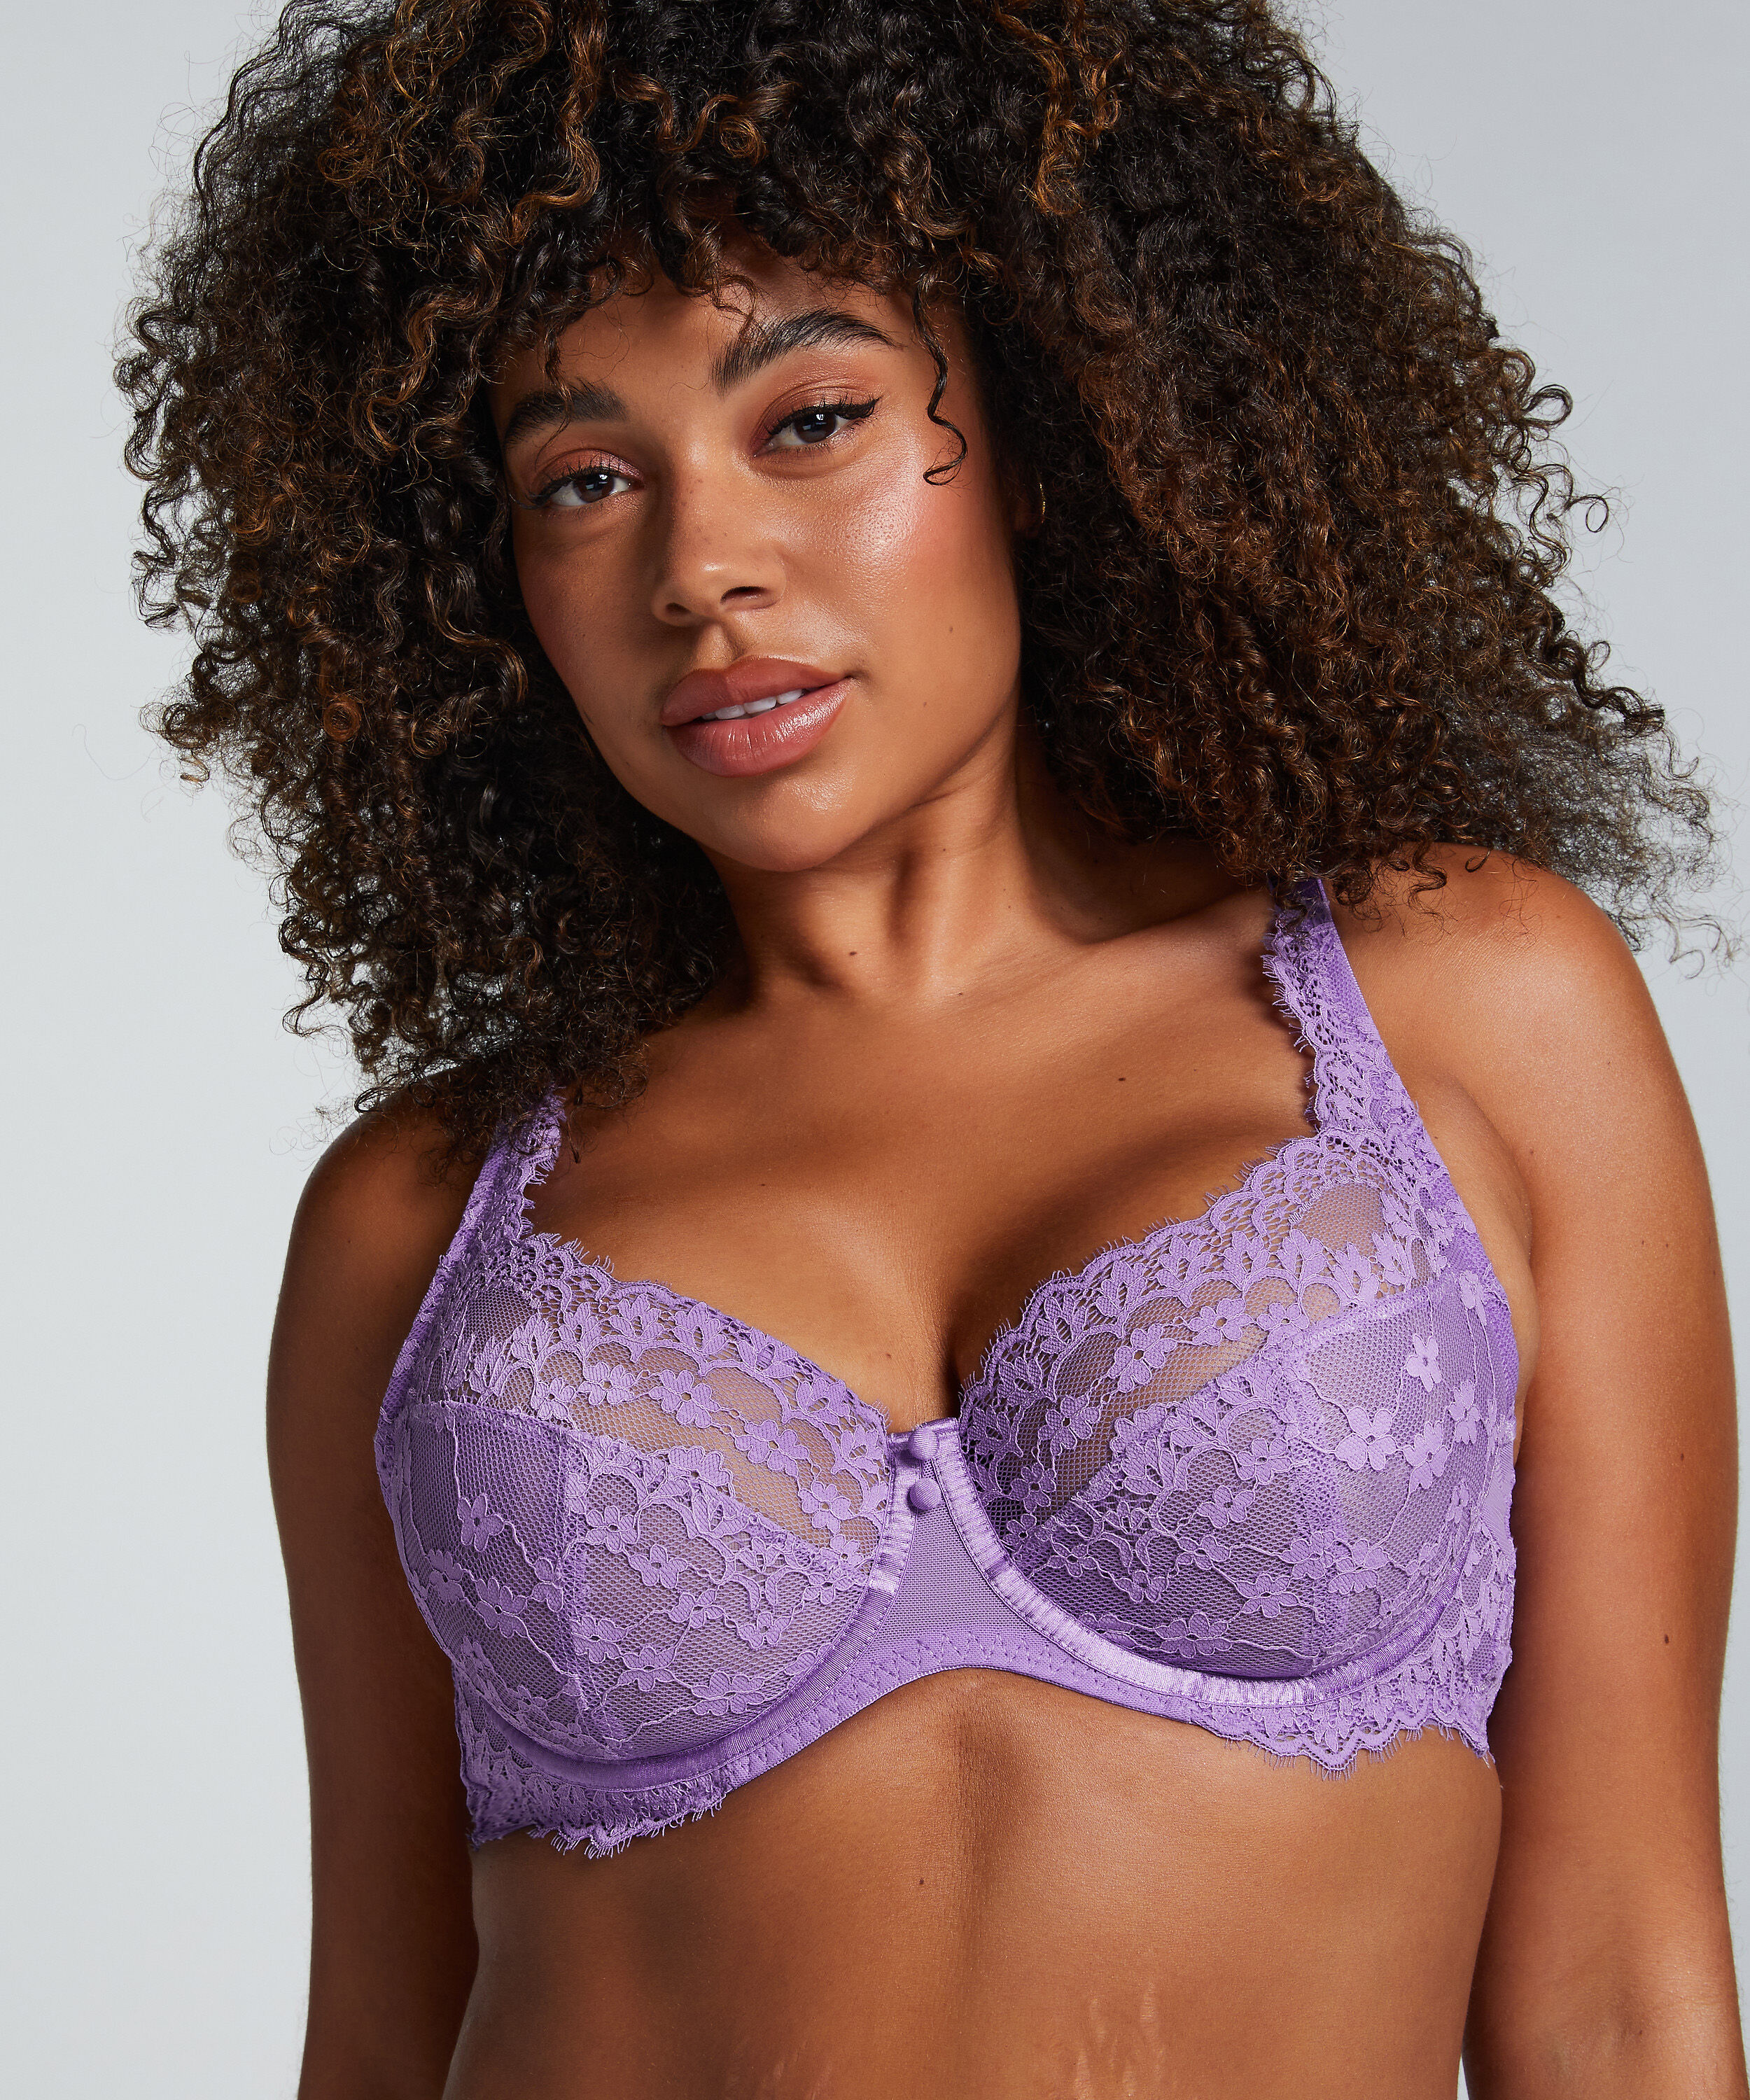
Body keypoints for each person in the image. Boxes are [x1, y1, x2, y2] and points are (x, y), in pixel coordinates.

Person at [120, 1, 1745, 2094]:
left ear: (1055, 428)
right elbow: (377, 2037)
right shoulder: (419, 1224)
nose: (702, 569)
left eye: (811, 418)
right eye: (585, 479)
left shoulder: (1466, 1005)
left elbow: (1620, 1992)